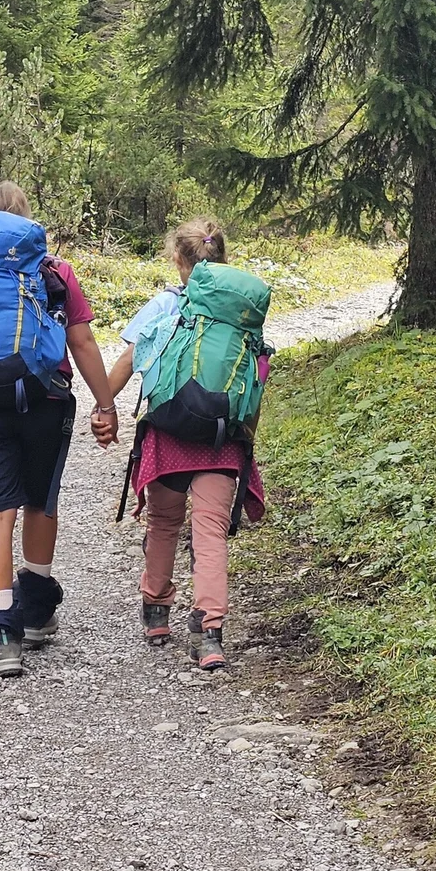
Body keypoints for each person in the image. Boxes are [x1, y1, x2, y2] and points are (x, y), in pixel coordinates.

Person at [0, 181, 118, 678]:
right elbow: (81, 342)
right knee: (41, 499)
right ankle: (37, 611)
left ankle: (2, 632)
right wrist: (106, 404)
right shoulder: (53, 271)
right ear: (27, 221)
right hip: (47, 397)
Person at [107, 220, 267, 671]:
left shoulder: (166, 303)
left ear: (178, 260)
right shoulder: (242, 313)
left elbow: (129, 358)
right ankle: (209, 632)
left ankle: (157, 610)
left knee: (163, 522)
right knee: (210, 531)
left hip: (169, 431)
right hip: (222, 437)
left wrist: (104, 405)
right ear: (223, 258)